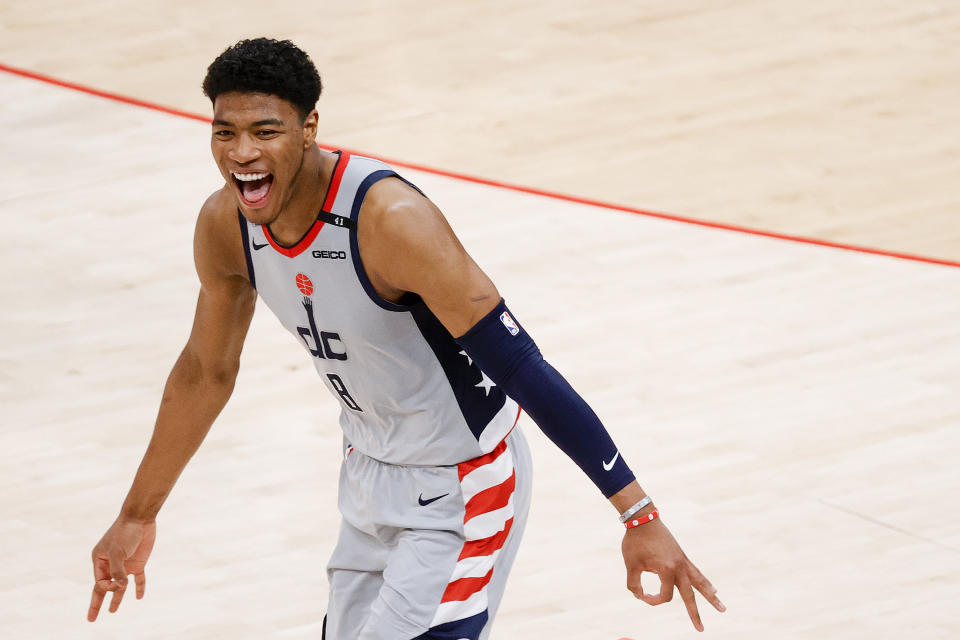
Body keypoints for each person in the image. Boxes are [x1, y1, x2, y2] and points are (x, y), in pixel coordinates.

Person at [87, 38, 725, 639]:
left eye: (265, 132)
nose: (241, 153)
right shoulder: (225, 225)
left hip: (462, 485)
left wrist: (638, 515)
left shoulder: (390, 221)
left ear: (309, 129)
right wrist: (138, 514)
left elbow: (521, 366)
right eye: (224, 133)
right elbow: (206, 372)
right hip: (365, 475)